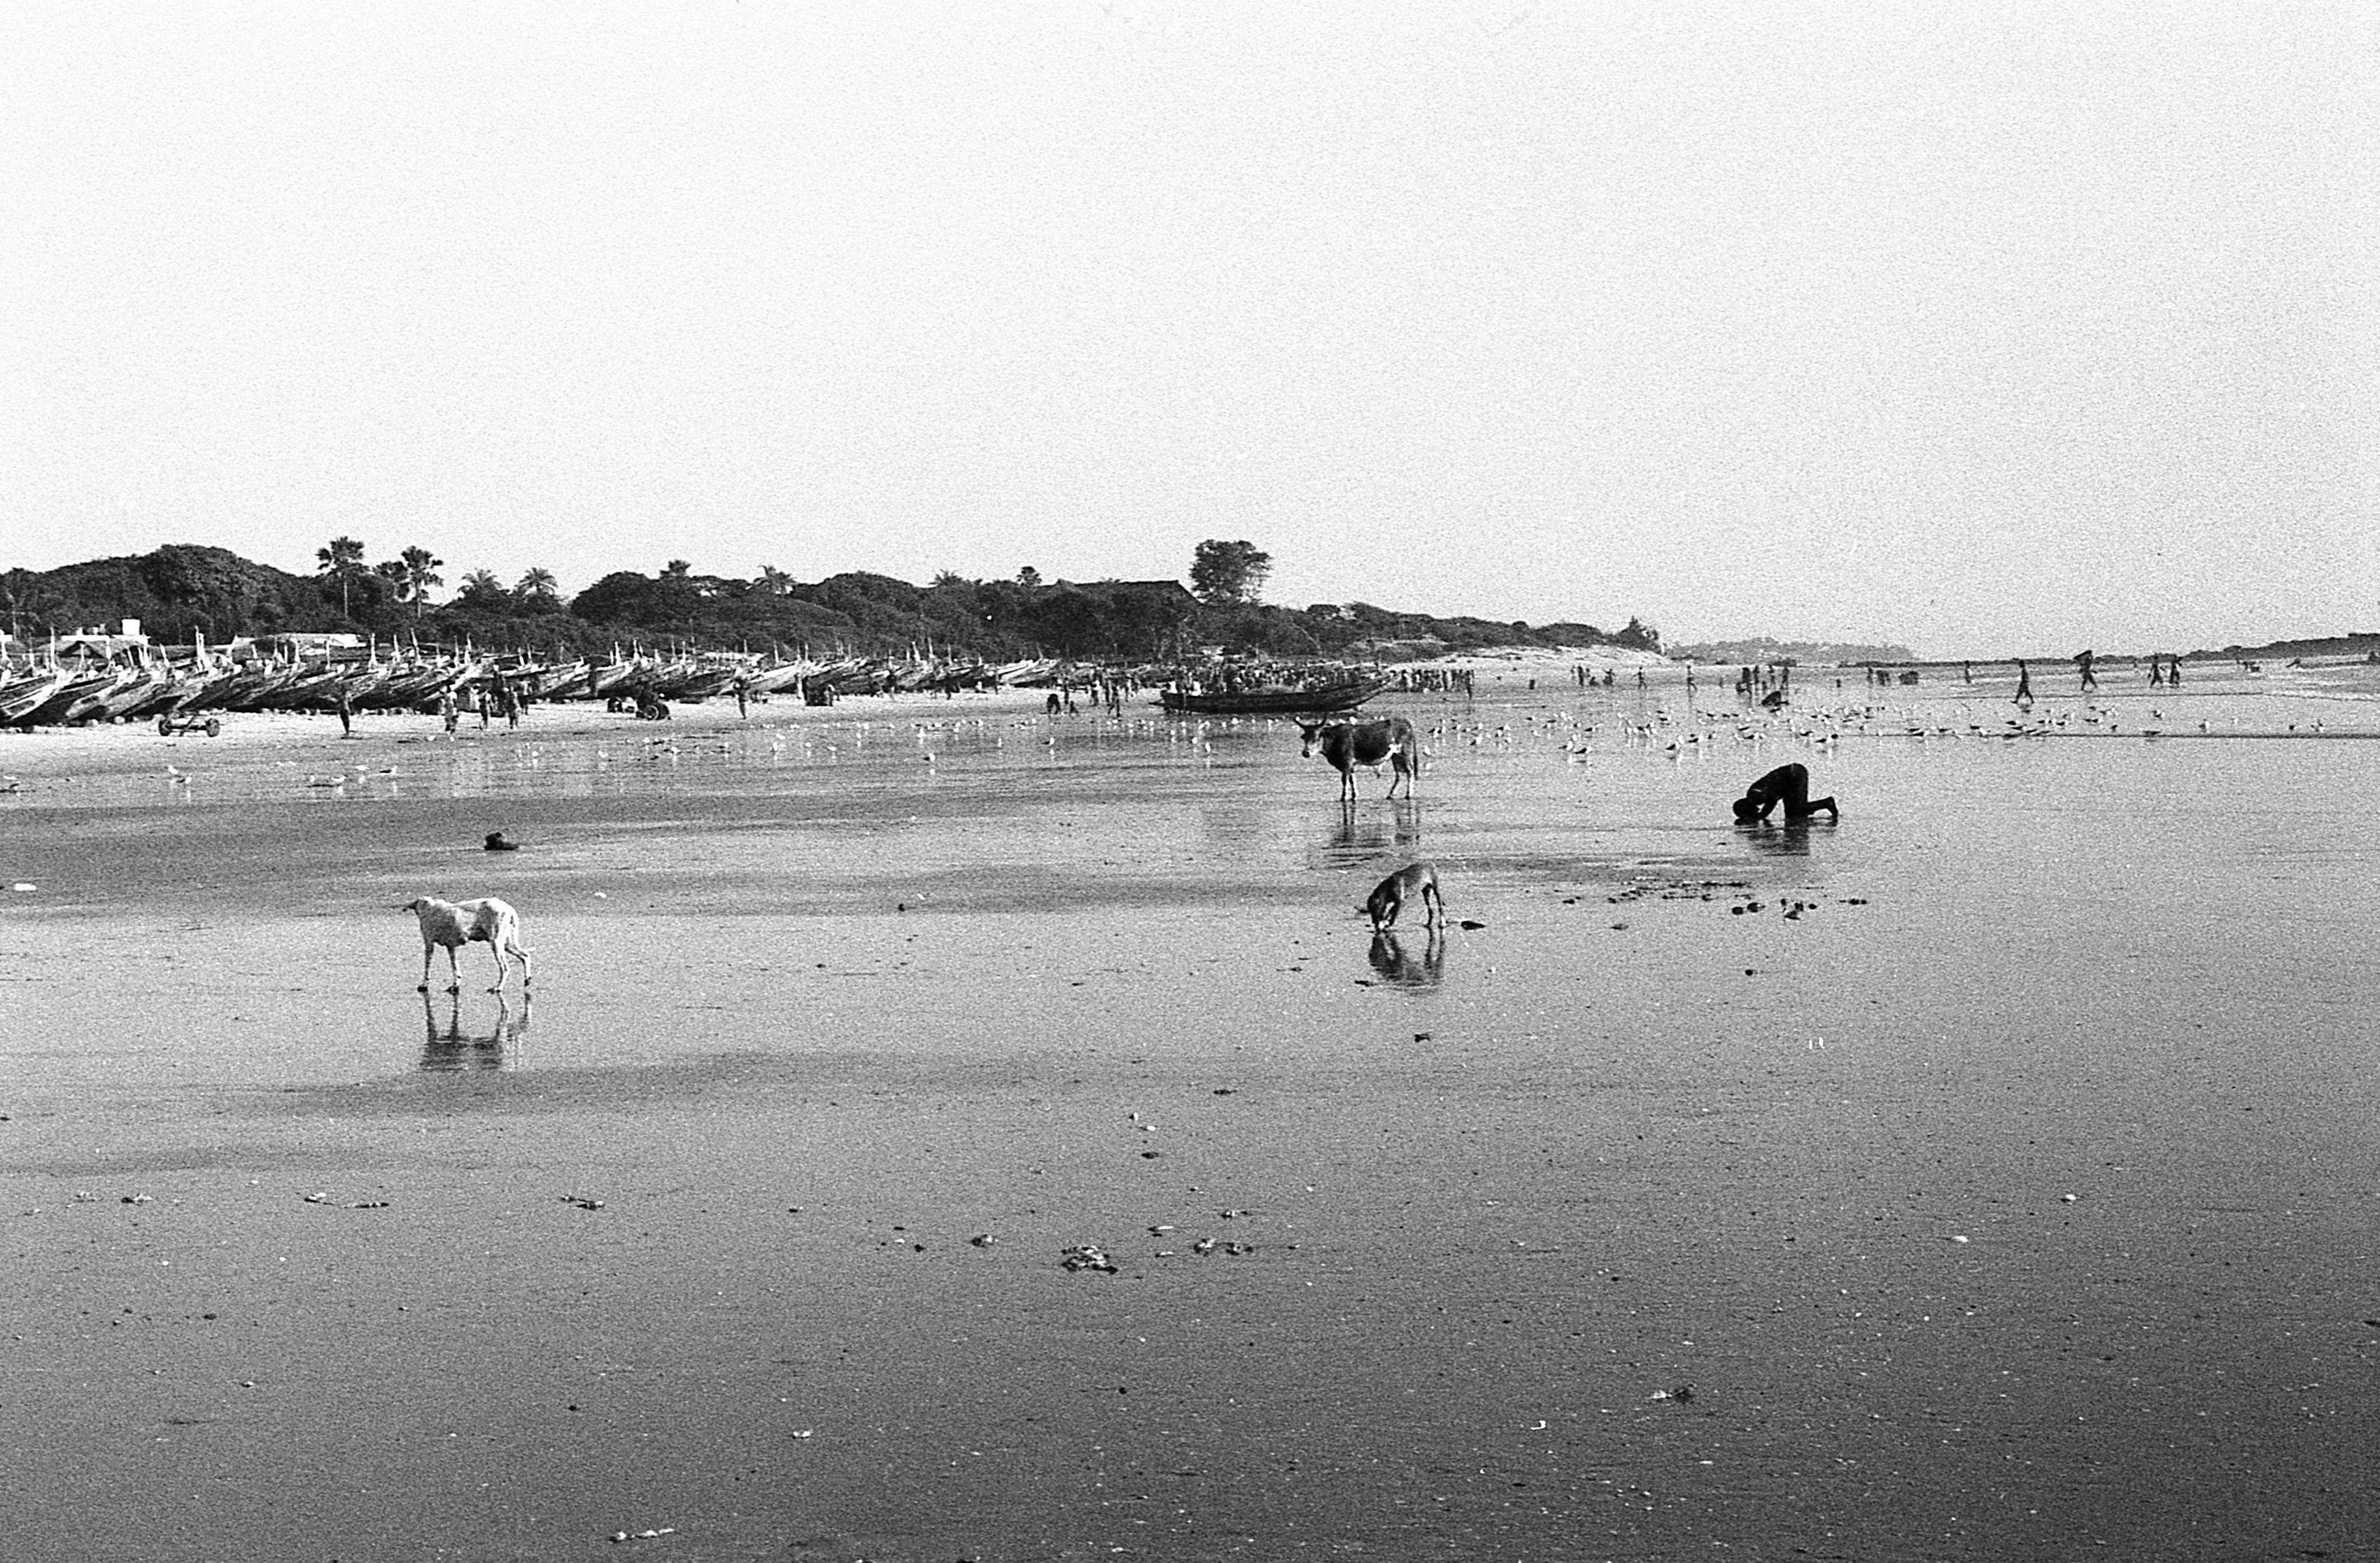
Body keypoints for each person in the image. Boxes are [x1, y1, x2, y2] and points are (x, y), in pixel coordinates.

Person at [1732, 763, 1838, 823]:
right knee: (1792, 814)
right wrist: (1762, 815)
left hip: (1794, 775)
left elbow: (1772, 799)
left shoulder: (1754, 795)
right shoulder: (1754, 794)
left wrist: (1762, 815)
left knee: (1797, 810)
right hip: (1792, 777)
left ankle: (1827, 803)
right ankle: (1819, 809)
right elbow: (1772, 798)